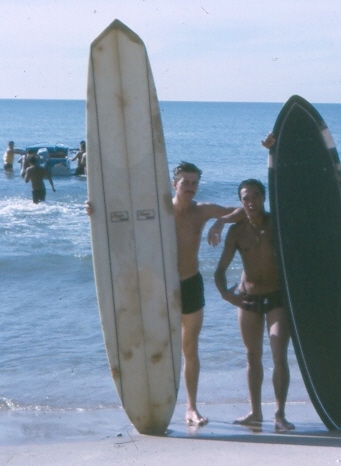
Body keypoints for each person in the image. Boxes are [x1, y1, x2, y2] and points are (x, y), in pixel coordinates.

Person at [86, 161, 242, 427]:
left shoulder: (202, 211)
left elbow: (240, 211)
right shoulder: (158, 211)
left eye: (194, 183)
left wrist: (219, 224)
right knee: (157, 345)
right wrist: (95, 211)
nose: (190, 188)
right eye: (186, 183)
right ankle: (153, 402)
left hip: (190, 284)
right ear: (174, 184)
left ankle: (191, 408)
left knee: (190, 348)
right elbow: (121, 218)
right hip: (160, 288)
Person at [214, 178, 295, 433]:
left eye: (256, 196)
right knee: (252, 356)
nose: (251, 202)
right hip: (247, 298)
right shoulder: (237, 231)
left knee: (278, 353)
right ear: (241, 201)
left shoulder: (277, 225)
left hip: (276, 298)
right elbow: (220, 270)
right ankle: (255, 412)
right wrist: (227, 296)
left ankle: (280, 414)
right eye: (246, 198)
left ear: (264, 198)